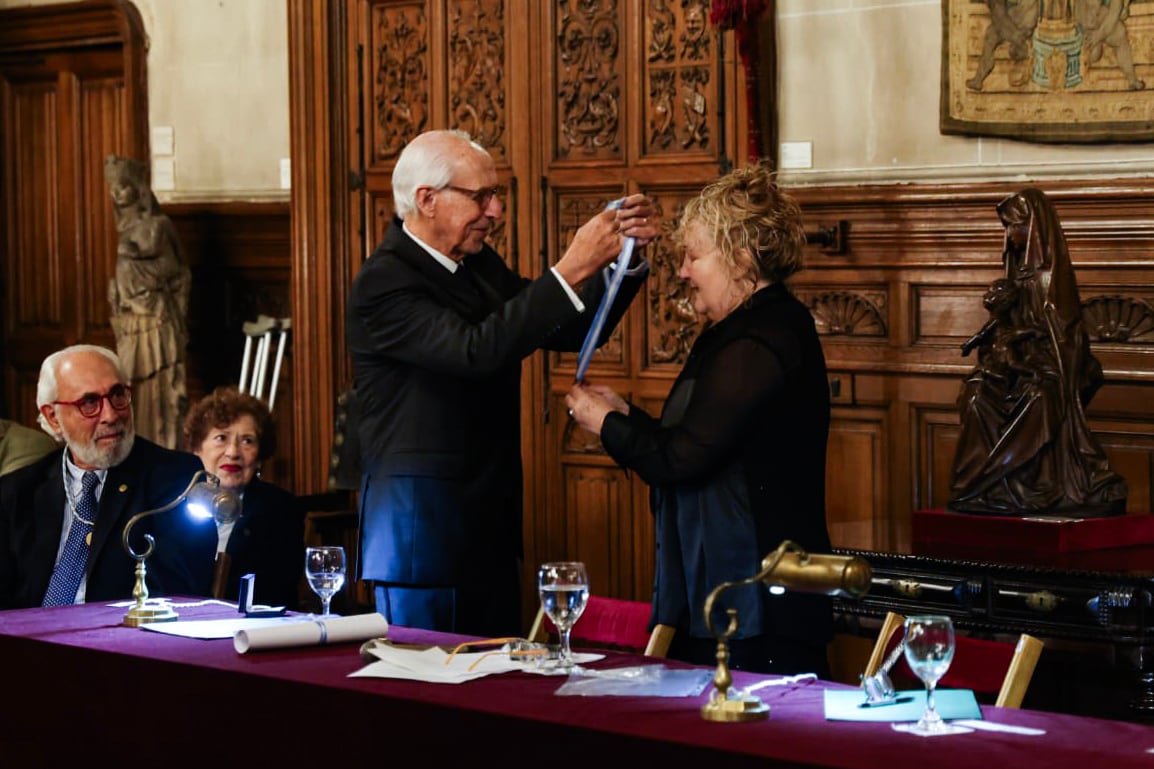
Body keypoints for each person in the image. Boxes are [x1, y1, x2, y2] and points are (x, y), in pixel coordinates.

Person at [346, 129, 658, 637]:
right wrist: (571, 266)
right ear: (426, 199)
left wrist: (625, 262)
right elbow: (476, 351)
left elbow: (562, 326)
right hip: (421, 547)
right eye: (480, 197)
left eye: (496, 196)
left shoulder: (477, 265)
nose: (495, 211)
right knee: (428, 705)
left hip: (487, 533)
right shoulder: (385, 281)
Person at [565, 162, 833, 676]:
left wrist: (609, 425)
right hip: (726, 591)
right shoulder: (740, 329)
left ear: (739, 257)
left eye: (693, 255)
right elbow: (701, 443)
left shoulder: (763, 338)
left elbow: (682, 459)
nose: (683, 271)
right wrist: (626, 415)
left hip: (759, 607)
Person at [949, 187, 1127, 516]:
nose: (1009, 235)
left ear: (1033, 228)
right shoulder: (1017, 274)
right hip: (1013, 368)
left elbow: (1068, 342)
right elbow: (1002, 326)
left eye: (1014, 226)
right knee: (974, 395)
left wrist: (1035, 354)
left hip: (1051, 371)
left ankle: (1020, 482)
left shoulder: (1050, 280)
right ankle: (981, 485)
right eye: (1006, 227)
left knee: (1039, 398)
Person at [0, 344, 216, 609]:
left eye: (118, 395)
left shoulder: (176, 479)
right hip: (29, 642)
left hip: (117, 642)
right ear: (53, 417)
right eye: (89, 403)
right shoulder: (18, 491)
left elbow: (178, 595)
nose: (111, 415)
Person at [183, 386, 305, 608]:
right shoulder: (173, 505)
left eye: (247, 441)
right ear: (197, 449)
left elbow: (275, 594)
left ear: (259, 457)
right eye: (221, 438)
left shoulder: (281, 511)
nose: (233, 452)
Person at [105, 154, 190, 450]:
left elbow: (174, 266)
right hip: (132, 319)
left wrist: (136, 261)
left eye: (124, 186)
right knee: (132, 386)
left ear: (138, 189)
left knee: (161, 394)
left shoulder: (158, 224)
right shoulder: (124, 228)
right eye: (113, 187)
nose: (117, 193)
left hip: (155, 314)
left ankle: (162, 447)